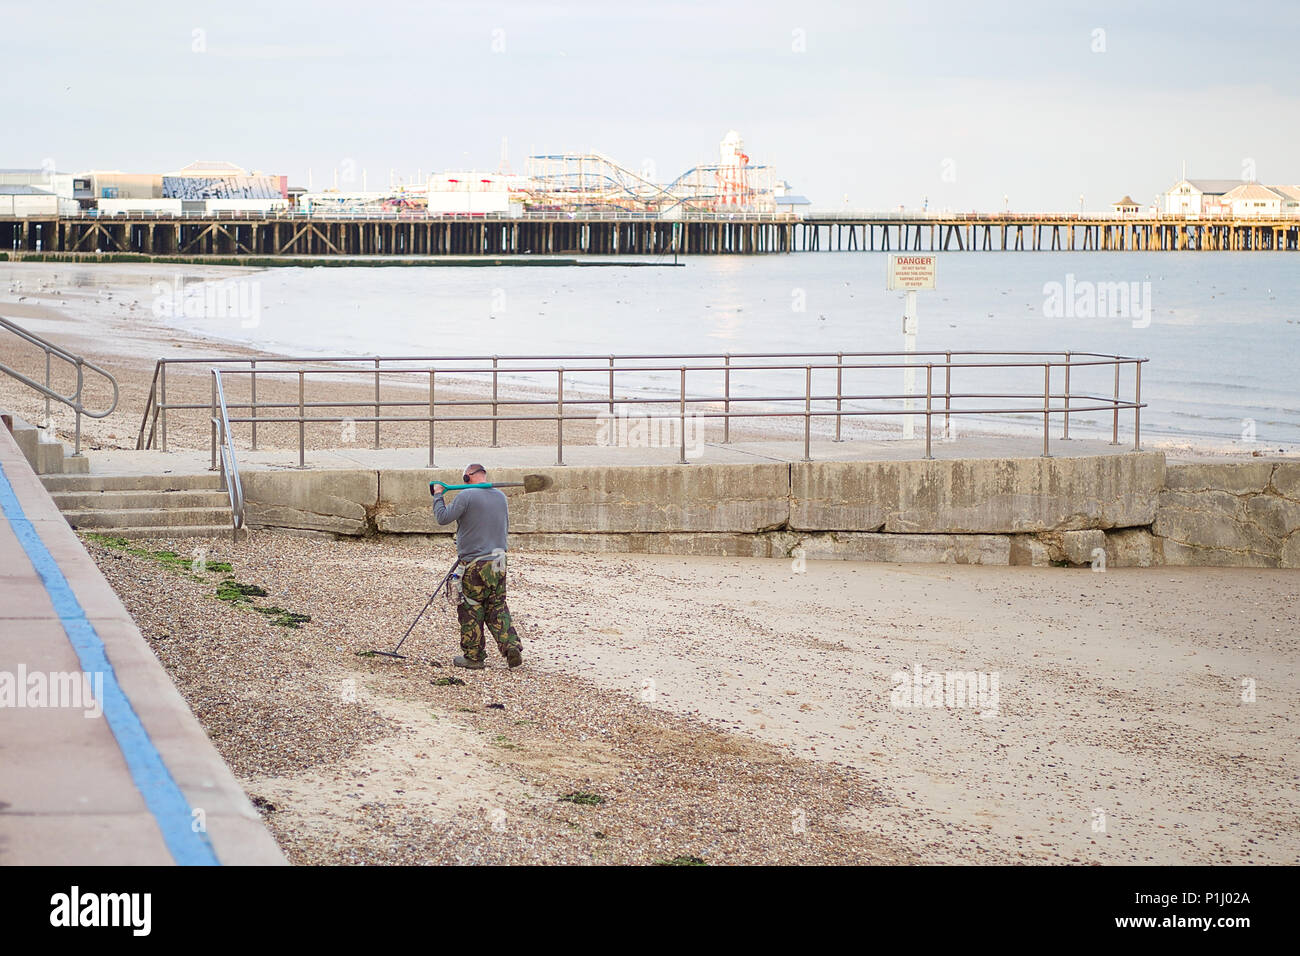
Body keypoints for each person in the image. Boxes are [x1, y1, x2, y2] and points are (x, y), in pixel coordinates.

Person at [430, 463, 524, 670]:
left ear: (467, 477)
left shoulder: (466, 495)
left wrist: (438, 495)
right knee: (497, 605)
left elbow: (442, 518)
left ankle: (473, 657)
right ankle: (510, 646)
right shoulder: (501, 497)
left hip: (475, 562)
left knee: (471, 606)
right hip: (499, 559)